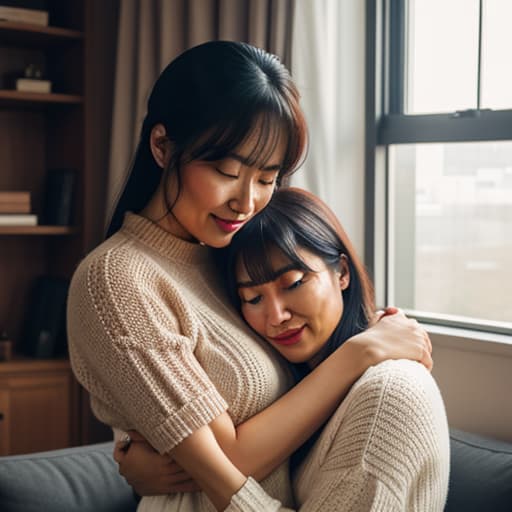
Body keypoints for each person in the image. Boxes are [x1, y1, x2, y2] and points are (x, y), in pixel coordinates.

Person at [67, 40, 436, 512]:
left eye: (266, 179)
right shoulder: (116, 280)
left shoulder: (224, 252)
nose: (246, 202)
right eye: (226, 171)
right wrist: (360, 352)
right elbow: (227, 458)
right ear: (162, 146)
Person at [114, 188, 450, 511]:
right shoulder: (291, 382)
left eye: (293, 284)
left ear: (342, 272)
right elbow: (218, 452)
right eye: (253, 298)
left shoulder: (388, 395)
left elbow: (221, 467)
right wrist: (151, 465)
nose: (276, 317)